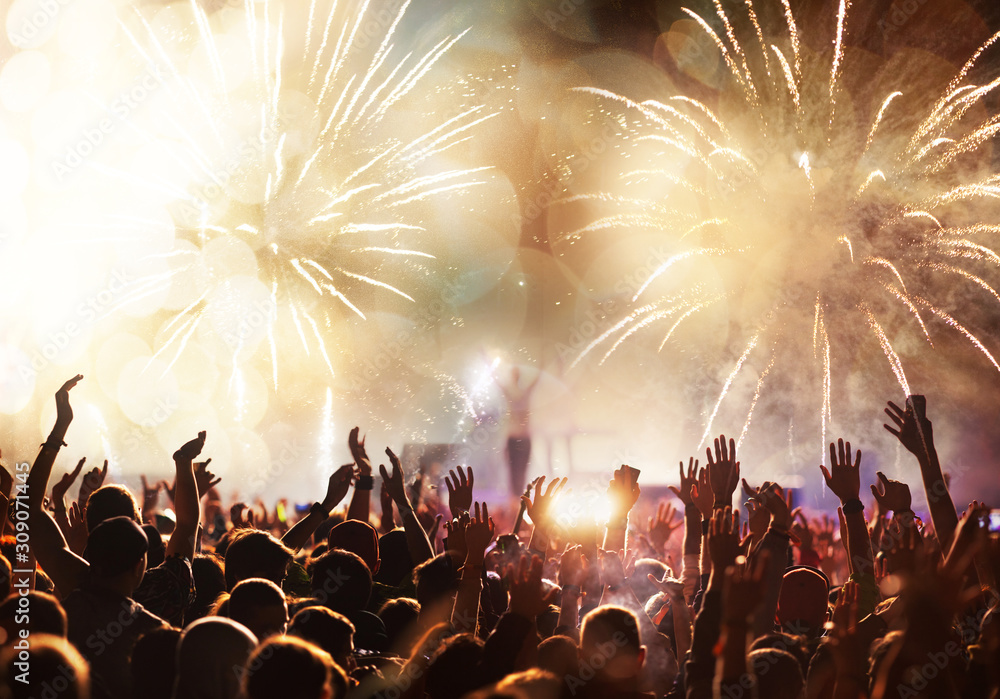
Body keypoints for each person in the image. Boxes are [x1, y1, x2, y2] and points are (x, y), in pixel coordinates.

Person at [495, 366, 541, 496]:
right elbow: (498, 383)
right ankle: (516, 498)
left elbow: (535, 382)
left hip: (521, 438)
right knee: (515, 471)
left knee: (518, 471)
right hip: (517, 438)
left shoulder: (521, 393)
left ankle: (518, 498)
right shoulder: (515, 393)